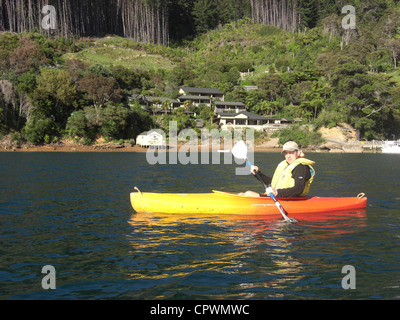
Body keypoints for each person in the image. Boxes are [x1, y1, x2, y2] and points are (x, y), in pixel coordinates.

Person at [240, 141, 315, 198]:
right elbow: (272, 182)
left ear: (298, 152)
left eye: (291, 153)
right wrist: (257, 173)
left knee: (248, 194)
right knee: (241, 194)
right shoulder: (285, 165)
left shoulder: (301, 167)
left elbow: (298, 189)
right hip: (278, 197)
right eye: (286, 153)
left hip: (290, 199)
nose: (288, 156)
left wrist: (277, 192)